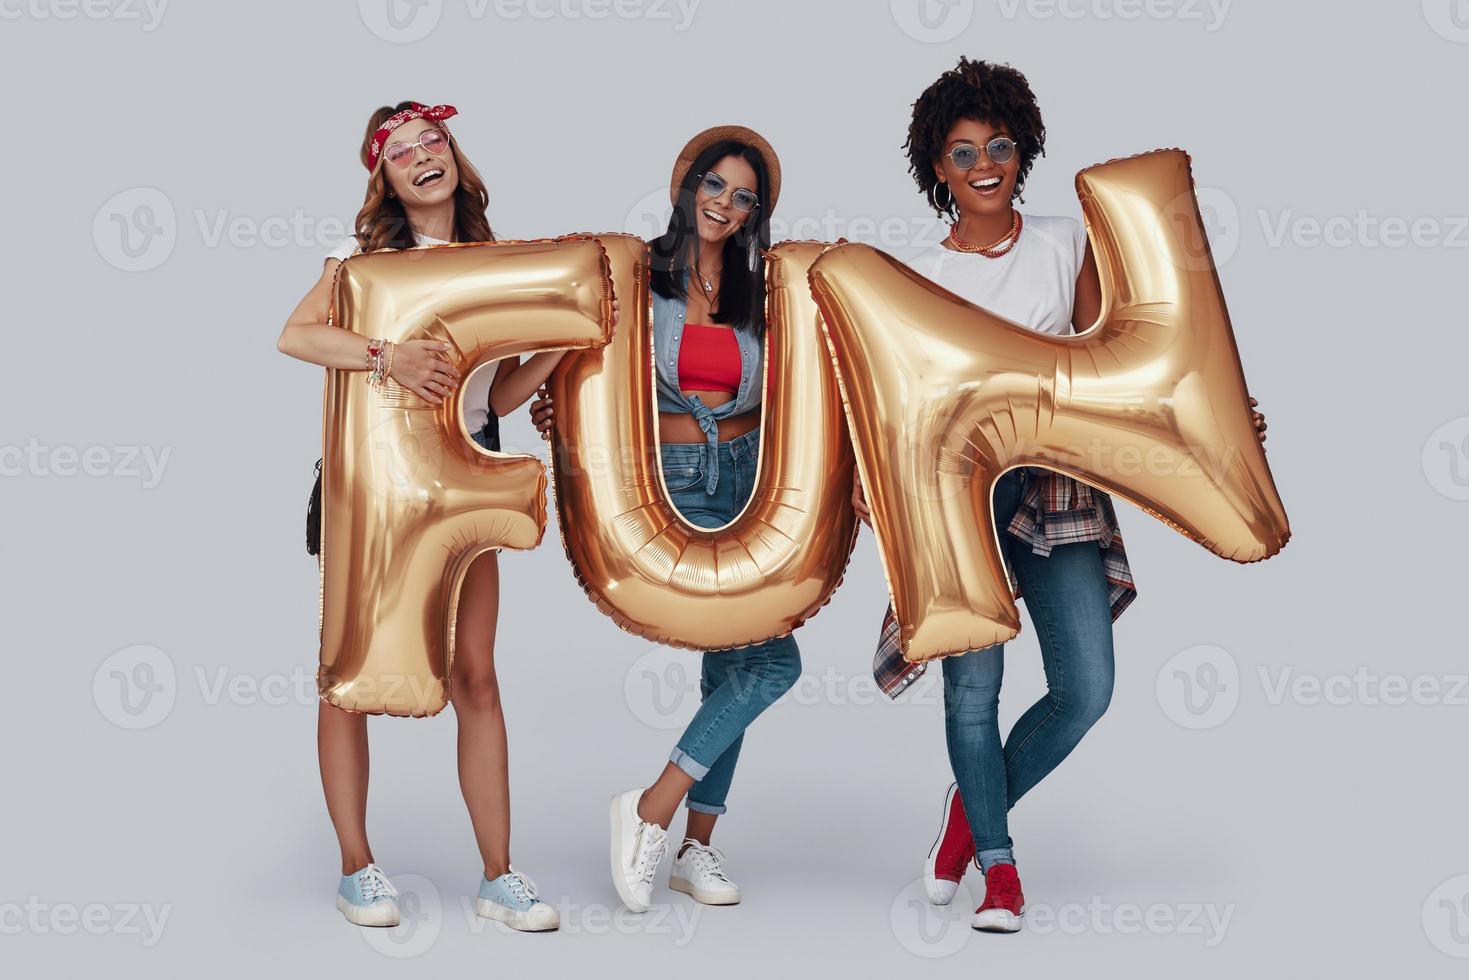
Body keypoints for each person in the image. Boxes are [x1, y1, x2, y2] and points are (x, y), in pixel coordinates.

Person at [853, 59, 1268, 934]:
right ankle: (999, 874)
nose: (983, 164)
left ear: (1022, 148)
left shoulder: (1063, 243)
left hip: (1056, 484)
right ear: (936, 167)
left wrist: (1219, 418)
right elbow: (895, 403)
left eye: (998, 145)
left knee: (1084, 688)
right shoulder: (914, 271)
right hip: (957, 501)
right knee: (973, 693)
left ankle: (967, 817)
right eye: (961, 151)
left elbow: (1108, 364)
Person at [278, 101, 567, 932]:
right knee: (350, 676)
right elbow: (296, 335)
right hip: (372, 485)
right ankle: (356, 868)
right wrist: (387, 354)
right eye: (400, 151)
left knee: (475, 672)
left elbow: (498, 392)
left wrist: (560, 343)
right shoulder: (360, 262)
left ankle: (499, 875)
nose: (419, 156)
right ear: (385, 178)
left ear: (453, 155)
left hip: (464, 478)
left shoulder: (491, 264)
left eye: (430, 141)